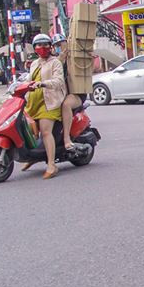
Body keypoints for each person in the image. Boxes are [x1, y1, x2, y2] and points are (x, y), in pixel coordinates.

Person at [24, 33, 66, 179]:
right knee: (26, 128)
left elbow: (59, 81)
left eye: (45, 44)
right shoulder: (35, 63)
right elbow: (28, 79)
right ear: (35, 48)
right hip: (33, 102)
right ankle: (33, 156)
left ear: (50, 47)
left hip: (49, 102)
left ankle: (51, 165)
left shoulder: (55, 63)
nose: (42, 48)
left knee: (45, 132)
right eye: (38, 45)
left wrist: (43, 84)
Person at [52, 33, 88, 151]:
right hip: (58, 94)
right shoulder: (54, 60)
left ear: (66, 43)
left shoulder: (73, 56)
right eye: (55, 45)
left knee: (66, 105)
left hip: (76, 94)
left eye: (60, 44)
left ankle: (67, 138)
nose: (58, 47)